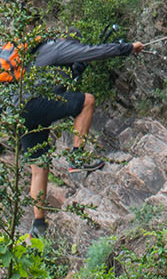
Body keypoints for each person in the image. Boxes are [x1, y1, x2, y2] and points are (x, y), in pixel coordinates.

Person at [16, 34, 144, 238]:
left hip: (18, 112)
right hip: (35, 104)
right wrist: (127, 48)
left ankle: (38, 224)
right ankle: (77, 156)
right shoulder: (61, 48)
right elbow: (93, 52)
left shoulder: (38, 52)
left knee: (39, 168)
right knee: (87, 101)